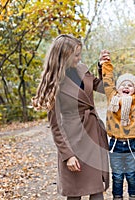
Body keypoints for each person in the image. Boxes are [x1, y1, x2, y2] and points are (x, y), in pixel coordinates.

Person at [31, 34, 109, 200]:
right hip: (73, 143)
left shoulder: (82, 68)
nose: (79, 58)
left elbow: (102, 88)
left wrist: (103, 68)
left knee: (97, 193)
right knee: (75, 194)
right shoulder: (54, 83)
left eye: (79, 54)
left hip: (93, 137)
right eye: (75, 55)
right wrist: (68, 155)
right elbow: (55, 125)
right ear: (64, 56)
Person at [98, 49, 135, 200]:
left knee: (131, 175)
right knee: (117, 176)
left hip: (131, 145)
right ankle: (117, 197)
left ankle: (133, 197)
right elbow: (107, 80)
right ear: (117, 87)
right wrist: (105, 63)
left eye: (130, 85)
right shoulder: (112, 97)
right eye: (123, 84)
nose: (126, 87)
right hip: (115, 145)